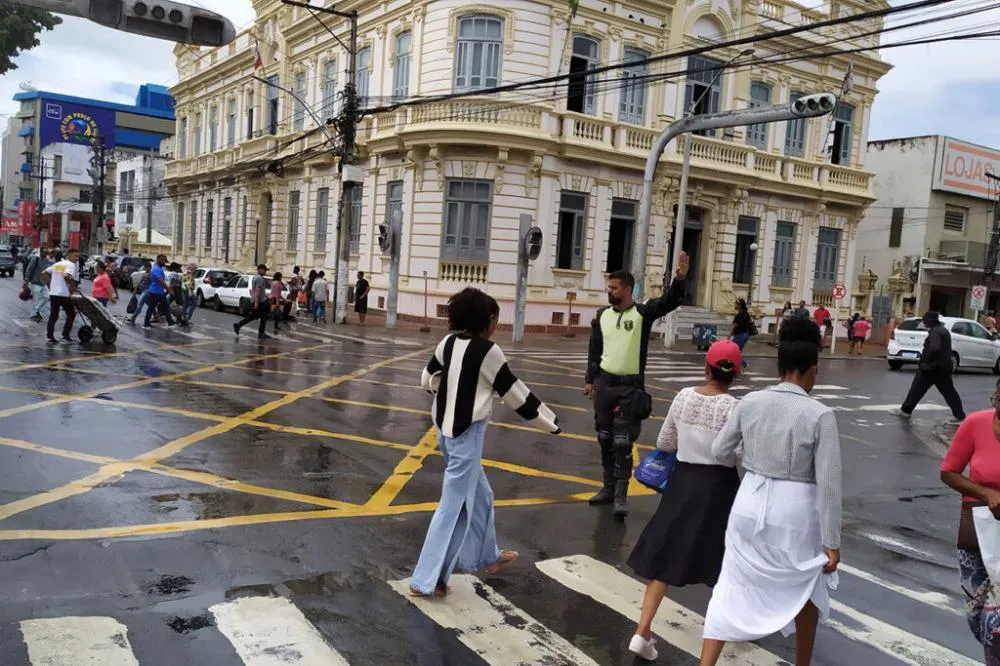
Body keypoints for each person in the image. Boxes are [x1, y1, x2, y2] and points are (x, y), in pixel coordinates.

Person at [700, 318, 841, 666]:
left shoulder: (749, 402)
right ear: (811, 371)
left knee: (731, 584)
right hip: (796, 510)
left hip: (749, 499)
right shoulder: (820, 414)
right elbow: (829, 484)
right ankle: (802, 663)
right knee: (807, 588)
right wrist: (833, 542)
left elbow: (720, 451)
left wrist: (753, 460)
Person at [409, 287, 560, 597]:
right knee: (451, 509)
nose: (496, 324)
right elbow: (515, 392)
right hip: (467, 437)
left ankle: (489, 556)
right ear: (486, 320)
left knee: (482, 496)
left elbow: (427, 379)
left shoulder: (447, 343)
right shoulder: (488, 351)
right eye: (495, 318)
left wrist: (448, 390)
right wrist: (550, 423)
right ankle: (427, 580)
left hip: (444, 434)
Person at [626, 341, 743, 661]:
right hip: (719, 488)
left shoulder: (683, 397)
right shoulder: (734, 408)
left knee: (665, 556)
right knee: (721, 567)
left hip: (683, 482)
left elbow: (665, 441)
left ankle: (642, 631)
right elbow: (738, 457)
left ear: (705, 368)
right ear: (735, 375)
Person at [584, 253, 690, 517]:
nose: (609, 292)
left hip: (629, 388)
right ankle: (607, 488)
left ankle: (621, 495)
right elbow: (594, 350)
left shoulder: (642, 314)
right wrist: (589, 380)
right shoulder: (602, 315)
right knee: (605, 438)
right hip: (605, 385)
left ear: (627, 289)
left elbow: (669, 302)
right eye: (608, 288)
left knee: (622, 441)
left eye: (614, 288)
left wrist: (679, 279)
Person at [941, 382, 1000, 665]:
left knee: (995, 621)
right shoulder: (976, 424)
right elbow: (949, 472)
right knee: (977, 617)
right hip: (976, 534)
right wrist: (985, 493)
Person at [896, 311, 965, 422]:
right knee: (949, 392)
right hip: (943, 367)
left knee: (917, 389)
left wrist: (924, 361)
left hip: (931, 368)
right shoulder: (942, 330)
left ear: (930, 321)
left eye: (925, 320)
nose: (924, 322)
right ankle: (959, 415)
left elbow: (934, 347)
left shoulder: (936, 332)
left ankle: (906, 411)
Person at [42, 248, 80, 344]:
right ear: (69, 255)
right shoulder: (71, 265)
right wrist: (72, 287)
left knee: (53, 315)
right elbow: (67, 276)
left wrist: (50, 285)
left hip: (53, 293)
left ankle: (50, 336)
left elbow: (44, 273)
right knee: (71, 314)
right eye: (75, 256)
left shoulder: (58, 264)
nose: (77, 258)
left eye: (77, 256)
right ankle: (65, 335)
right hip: (63, 294)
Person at [233, 264, 271, 340]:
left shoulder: (255, 277)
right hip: (260, 302)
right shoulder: (260, 279)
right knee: (264, 317)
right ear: (260, 269)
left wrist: (265, 296)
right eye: (264, 270)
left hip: (256, 300)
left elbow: (257, 291)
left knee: (253, 316)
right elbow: (257, 291)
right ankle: (261, 333)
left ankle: (238, 325)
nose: (265, 272)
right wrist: (257, 303)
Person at [141, 255, 175, 329]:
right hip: (157, 292)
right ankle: (170, 321)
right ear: (158, 260)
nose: (164, 262)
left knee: (155, 307)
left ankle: (147, 323)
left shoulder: (158, 268)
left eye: (165, 260)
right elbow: (160, 280)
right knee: (164, 307)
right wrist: (169, 290)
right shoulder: (156, 269)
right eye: (162, 260)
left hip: (157, 291)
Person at [22, 246, 53, 322]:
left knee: (47, 297)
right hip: (35, 282)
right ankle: (33, 314)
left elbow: (48, 272)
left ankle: (36, 310)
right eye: (44, 252)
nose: (45, 254)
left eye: (47, 253)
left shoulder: (47, 260)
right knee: (35, 299)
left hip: (43, 282)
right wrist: (26, 280)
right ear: (41, 252)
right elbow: (29, 269)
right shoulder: (35, 259)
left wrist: (49, 282)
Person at [729, 298, 753, 370]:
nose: (734, 305)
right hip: (745, 335)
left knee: (733, 352)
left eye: (736, 304)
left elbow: (734, 326)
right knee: (736, 352)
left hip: (740, 335)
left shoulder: (739, 315)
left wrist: (729, 335)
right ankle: (737, 369)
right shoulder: (746, 314)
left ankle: (744, 365)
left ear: (739, 305)